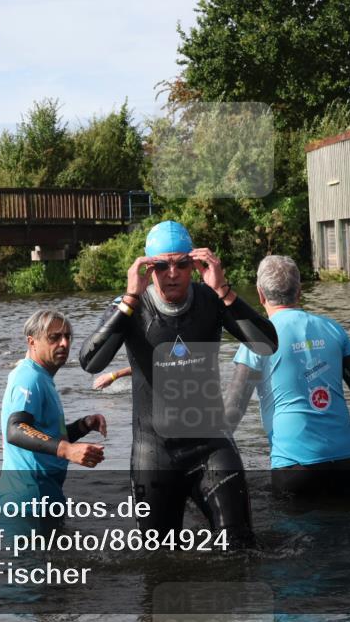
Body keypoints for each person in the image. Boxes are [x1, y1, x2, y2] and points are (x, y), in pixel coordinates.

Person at [78, 221, 278, 546]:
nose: (172, 273)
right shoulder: (131, 307)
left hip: (211, 445)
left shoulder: (211, 299)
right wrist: (129, 298)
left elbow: (268, 345)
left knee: (240, 546)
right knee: (159, 558)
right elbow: (90, 362)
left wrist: (223, 289)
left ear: (195, 264)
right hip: (154, 452)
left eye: (182, 264)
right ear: (147, 267)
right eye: (161, 265)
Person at [225, 255, 350, 499]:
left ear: (260, 294)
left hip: (294, 468)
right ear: (300, 291)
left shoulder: (256, 339)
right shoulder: (333, 328)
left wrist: (206, 454)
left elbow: (235, 406)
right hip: (344, 463)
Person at [0, 310, 106, 532]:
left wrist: (83, 426)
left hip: (45, 497)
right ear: (32, 342)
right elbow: (16, 430)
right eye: (54, 337)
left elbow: (42, 434)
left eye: (67, 337)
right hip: (28, 503)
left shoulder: (42, 377)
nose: (64, 343)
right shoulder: (29, 377)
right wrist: (67, 450)